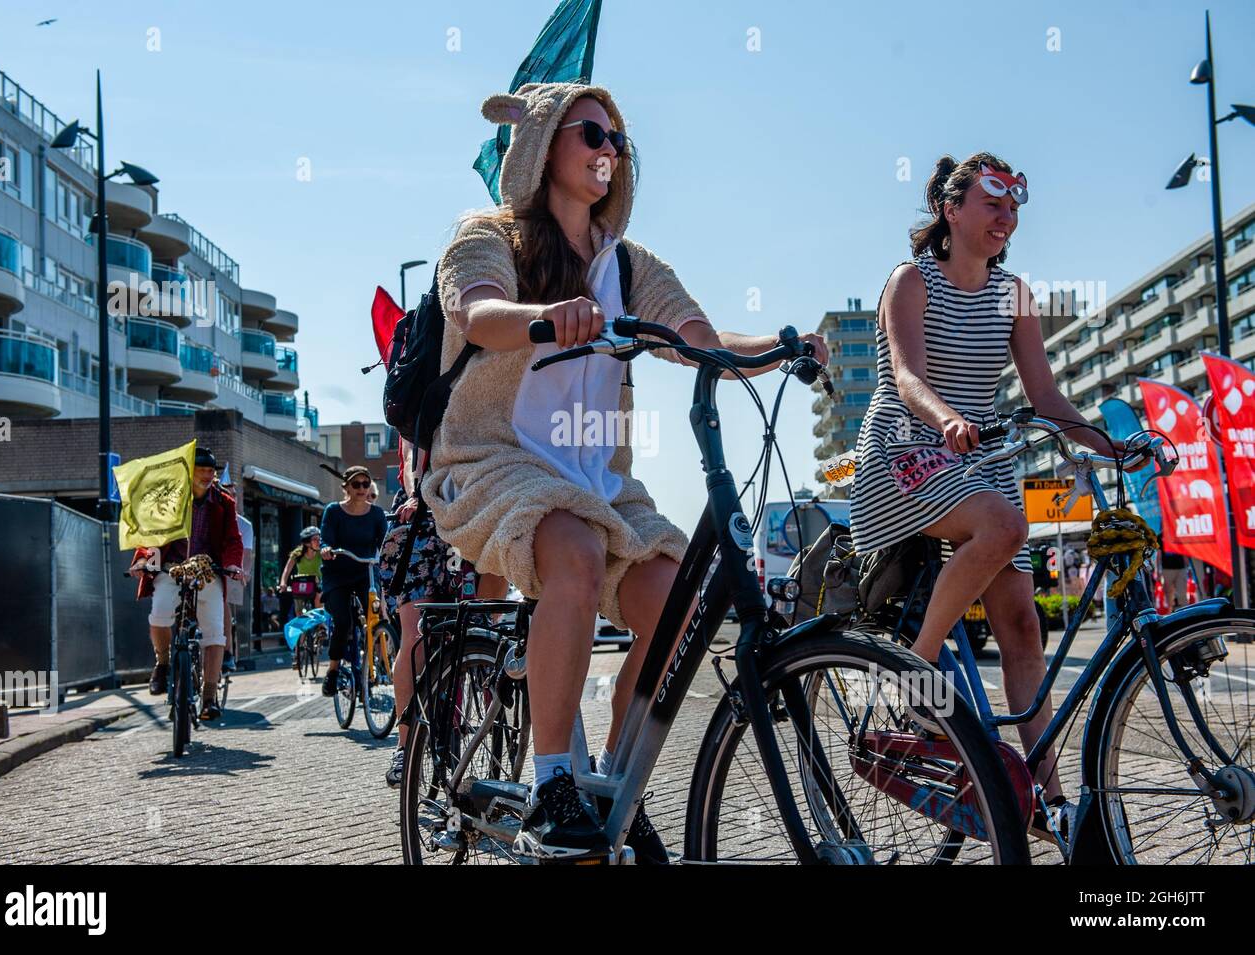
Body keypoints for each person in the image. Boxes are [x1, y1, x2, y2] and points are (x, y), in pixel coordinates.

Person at [419, 82, 825, 861]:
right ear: (543, 145)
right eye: (593, 133)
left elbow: (695, 335)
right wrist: (545, 316)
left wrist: (781, 346)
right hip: (493, 462)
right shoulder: (487, 235)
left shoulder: (629, 264)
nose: (610, 151)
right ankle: (553, 779)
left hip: (599, 480)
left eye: (620, 141)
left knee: (679, 604)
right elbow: (475, 311)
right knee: (567, 549)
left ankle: (612, 779)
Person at [847, 153, 1135, 842]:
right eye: (992, 205)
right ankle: (913, 673)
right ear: (951, 210)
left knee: (1023, 628)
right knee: (1004, 525)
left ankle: (1048, 800)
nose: (1006, 219)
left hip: (982, 458)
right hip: (906, 447)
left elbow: (1047, 398)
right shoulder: (911, 280)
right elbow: (908, 377)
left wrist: (1112, 443)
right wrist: (946, 417)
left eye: (1014, 210)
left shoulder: (1015, 294)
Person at [380, 434, 506, 787]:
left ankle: (493, 717)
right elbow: (410, 455)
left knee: (486, 627)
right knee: (416, 634)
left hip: (482, 506)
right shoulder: (420, 387)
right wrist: (418, 494)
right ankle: (406, 745)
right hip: (424, 512)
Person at [131, 447, 243, 721]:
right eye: (201, 470)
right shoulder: (170, 499)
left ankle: (208, 696)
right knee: (159, 614)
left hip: (208, 572)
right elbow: (153, 536)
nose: (207, 476)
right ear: (189, 472)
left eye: (210, 471)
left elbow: (232, 539)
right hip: (172, 569)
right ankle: (163, 662)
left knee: (215, 633)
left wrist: (232, 564)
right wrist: (144, 560)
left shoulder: (224, 502)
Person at [319, 466, 388, 697]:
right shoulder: (333, 511)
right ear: (346, 487)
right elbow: (325, 538)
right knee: (343, 621)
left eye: (365, 484)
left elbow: (386, 545)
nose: (361, 489)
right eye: (356, 484)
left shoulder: (377, 514)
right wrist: (326, 548)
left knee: (376, 615)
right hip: (337, 574)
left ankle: (375, 661)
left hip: (365, 572)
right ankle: (333, 670)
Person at [219, 465, 253, 672]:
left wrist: (244, 571)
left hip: (231, 570)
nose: (230, 499)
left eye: (233, 495)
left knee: (224, 604)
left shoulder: (244, 525)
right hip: (211, 566)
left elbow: (245, 553)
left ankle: (228, 652)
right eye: (225, 494)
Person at [282, 526, 323, 668]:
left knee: (319, 597)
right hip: (302, 587)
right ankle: (298, 652)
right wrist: (282, 583)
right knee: (299, 615)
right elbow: (287, 569)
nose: (318, 542)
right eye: (315, 539)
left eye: (319, 539)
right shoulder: (297, 554)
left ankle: (321, 627)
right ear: (307, 543)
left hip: (317, 585)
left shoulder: (320, 553)